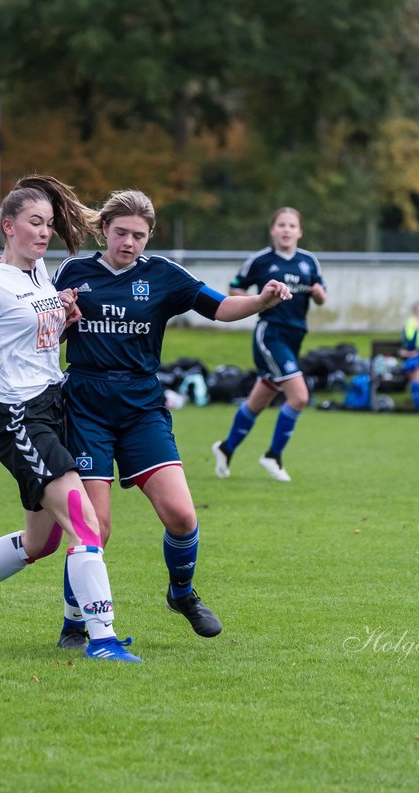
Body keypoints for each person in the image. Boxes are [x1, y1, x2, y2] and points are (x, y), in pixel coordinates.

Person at [53, 189, 291, 648]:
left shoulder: (162, 275)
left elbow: (220, 307)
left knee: (182, 516)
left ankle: (181, 592)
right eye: (121, 232)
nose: (129, 243)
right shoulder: (73, 272)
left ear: (149, 237)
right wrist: (61, 317)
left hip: (142, 407)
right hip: (86, 407)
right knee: (93, 528)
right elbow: (46, 328)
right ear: (104, 229)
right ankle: (75, 622)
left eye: (138, 236)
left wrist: (261, 301)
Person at [0, 176, 141, 662]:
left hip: (55, 406)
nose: (44, 233)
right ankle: (103, 640)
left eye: (48, 224)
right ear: (8, 226)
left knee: (39, 542)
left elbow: (36, 337)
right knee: (86, 526)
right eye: (34, 223)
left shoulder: (41, 271)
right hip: (22, 419)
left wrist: (63, 318)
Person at [211, 207, 327, 483]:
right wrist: (258, 300)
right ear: (273, 230)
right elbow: (234, 289)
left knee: (259, 400)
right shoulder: (260, 261)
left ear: (300, 231)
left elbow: (321, 297)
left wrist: (320, 295)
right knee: (299, 396)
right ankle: (273, 455)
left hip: (295, 335)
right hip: (270, 334)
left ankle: (226, 448)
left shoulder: (309, 262)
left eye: (292, 226)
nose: (286, 230)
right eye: (281, 225)